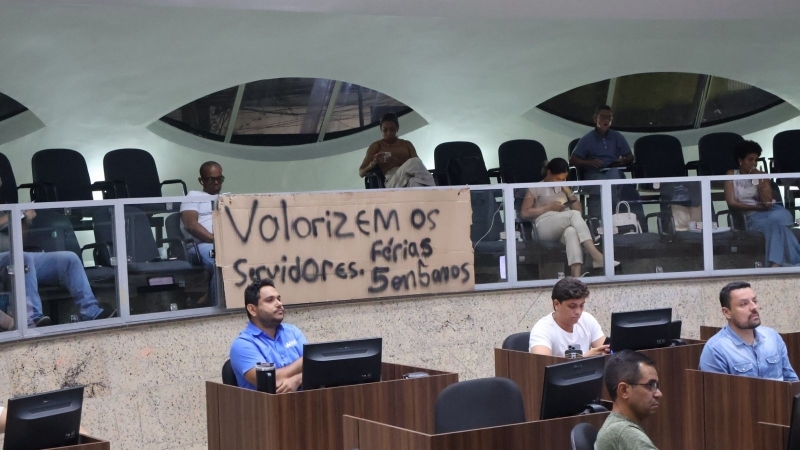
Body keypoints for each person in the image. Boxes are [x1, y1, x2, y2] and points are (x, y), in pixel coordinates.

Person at [0, 207, 115, 328]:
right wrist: (12, 215)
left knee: (70, 259)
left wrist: (25, 221)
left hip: (14, 256)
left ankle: (91, 312)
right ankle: (32, 319)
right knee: (23, 258)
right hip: (9, 259)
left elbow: (19, 243)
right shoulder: (8, 213)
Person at [519, 158, 614, 276]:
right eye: (558, 179)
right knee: (572, 214)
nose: (561, 181)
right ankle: (595, 254)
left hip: (563, 222)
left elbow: (578, 210)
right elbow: (524, 213)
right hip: (543, 225)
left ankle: (576, 277)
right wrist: (548, 208)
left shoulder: (564, 187)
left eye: (564, 179)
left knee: (571, 232)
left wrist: (568, 192)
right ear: (549, 173)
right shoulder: (535, 188)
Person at [699, 281, 798, 381]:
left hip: (780, 392)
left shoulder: (772, 336)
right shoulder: (715, 349)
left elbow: (791, 380)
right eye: (744, 304)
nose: (754, 307)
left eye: (754, 301)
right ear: (727, 312)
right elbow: (717, 390)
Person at [724, 140, 800, 267]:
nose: (754, 163)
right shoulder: (731, 174)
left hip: (775, 211)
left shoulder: (761, 175)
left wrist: (760, 181)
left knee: (776, 219)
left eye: (756, 160)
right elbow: (731, 202)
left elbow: (767, 203)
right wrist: (756, 207)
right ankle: (789, 263)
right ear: (740, 160)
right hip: (752, 216)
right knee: (777, 226)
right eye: (750, 160)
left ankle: (775, 264)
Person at [569, 105, 645, 229]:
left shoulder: (617, 136)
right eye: (603, 116)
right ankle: (610, 214)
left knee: (614, 175)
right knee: (606, 181)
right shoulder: (587, 139)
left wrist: (622, 161)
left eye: (609, 117)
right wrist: (589, 162)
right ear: (595, 118)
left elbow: (630, 157)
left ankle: (617, 219)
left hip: (613, 170)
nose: (606, 120)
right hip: (594, 173)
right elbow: (573, 159)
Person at [229, 279, 306, 392]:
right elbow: (270, 381)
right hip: (267, 403)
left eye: (279, 299)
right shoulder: (242, 344)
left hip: (306, 400)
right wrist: (303, 362)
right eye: (270, 300)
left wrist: (297, 379)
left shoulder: (292, 331)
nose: (279, 304)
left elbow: (316, 369)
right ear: (252, 309)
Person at [595, 350, 661, 450]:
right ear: (624, 390)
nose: (659, 394)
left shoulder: (617, 427)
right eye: (650, 385)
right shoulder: (625, 433)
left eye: (656, 386)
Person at [529, 277, 609, 357]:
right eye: (572, 306)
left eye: (581, 305)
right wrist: (586, 357)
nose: (578, 312)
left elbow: (606, 353)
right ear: (556, 304)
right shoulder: (542, 329)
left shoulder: (587, 320)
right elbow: (542, 363)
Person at [181, 161, 223, 305]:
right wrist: (214, 239)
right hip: (200, 245)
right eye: (211, 179)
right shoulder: (193, 195)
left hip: (223, 244)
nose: (216, 183)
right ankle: (215, 306)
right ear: (201, 180)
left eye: (219, 179)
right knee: (219, 262)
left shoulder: (223, 199)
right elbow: (190, 224)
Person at [358, 113, 434, 188]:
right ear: (381, 130)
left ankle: (430, 192)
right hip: (392, 180)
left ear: (397, 128)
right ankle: (435, 186)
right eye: (385, 130)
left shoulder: (406, 144)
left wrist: (397, 162)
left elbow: (419, 166)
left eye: (392, 130)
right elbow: (361, 172)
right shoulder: (377, 146)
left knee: (414, 181)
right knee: (414, 161)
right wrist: (373, 163)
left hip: (409, 178)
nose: (388, 133)